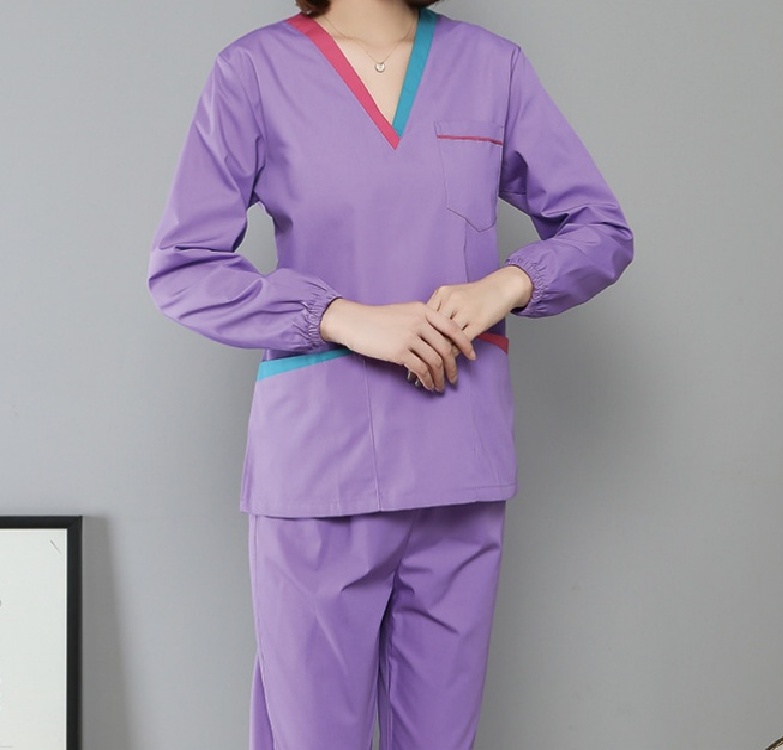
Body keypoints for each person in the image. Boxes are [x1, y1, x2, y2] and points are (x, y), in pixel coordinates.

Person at [147, 0, 634, 747]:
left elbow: (600, 228)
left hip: (457, 465)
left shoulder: (492, 67)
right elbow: (184, 268)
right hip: (320, 471)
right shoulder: (252, 71)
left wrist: (506, 284)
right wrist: (337, 316)